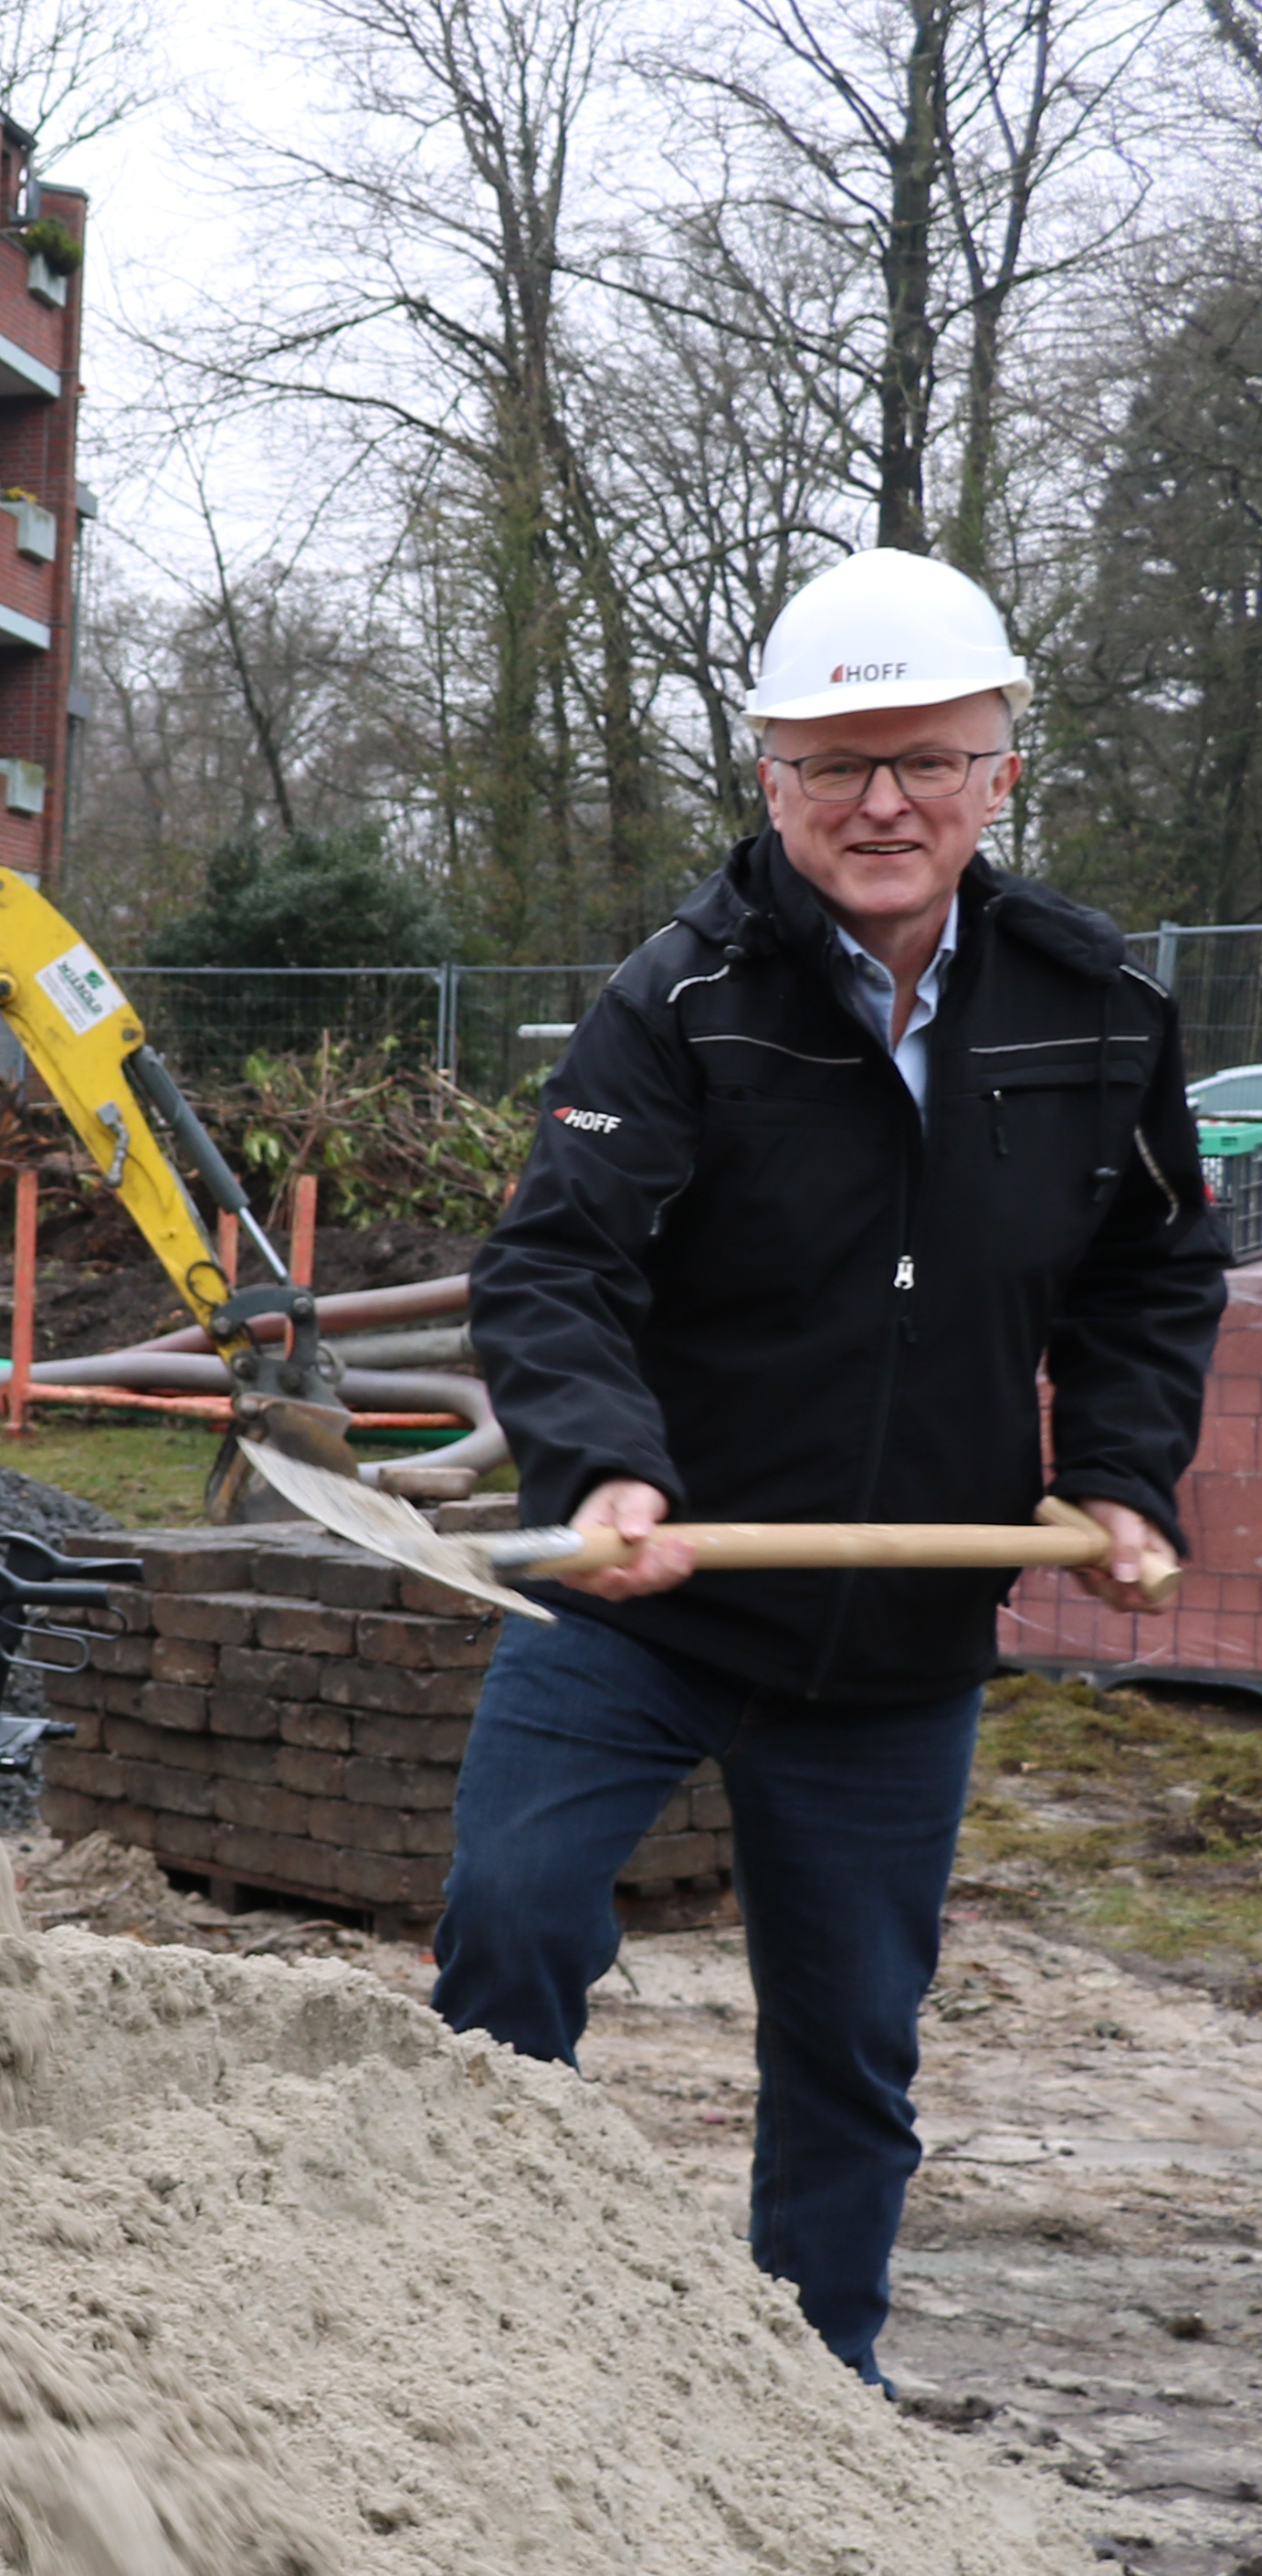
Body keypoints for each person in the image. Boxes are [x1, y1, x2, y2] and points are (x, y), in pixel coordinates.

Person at [439, 549, 1216, 2387]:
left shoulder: (1095, 1005)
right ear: (770, 776)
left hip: (902, 1631)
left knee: (854, 2042)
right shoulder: (684, 995)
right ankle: (476, 2336)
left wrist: (1120, 1471)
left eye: (926, 758)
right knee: (511, 1925)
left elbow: (1152, 1265)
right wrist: (604, 1471)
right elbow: (557, 1262)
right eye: (835, 762)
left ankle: (814, 2399)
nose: (883, 802)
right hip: (652, 1589)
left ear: (1000, 769)